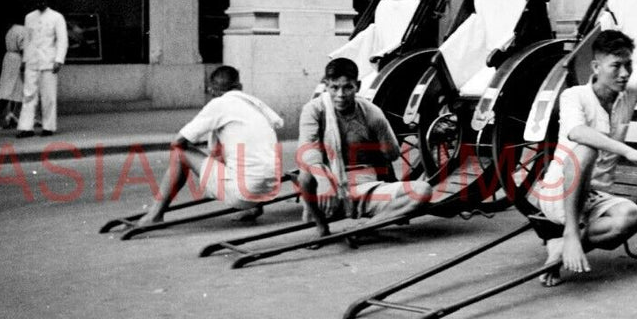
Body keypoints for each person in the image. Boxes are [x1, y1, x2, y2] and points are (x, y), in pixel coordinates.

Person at [536, 29, 637, 287]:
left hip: (595, 196)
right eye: (616, 66)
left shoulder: (630, 91)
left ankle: (561, 245)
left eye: (628, 65)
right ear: (596, 67)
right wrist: (627, 151)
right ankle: (569, 234)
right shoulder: (574, 95)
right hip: (561, 192)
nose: (624, 74)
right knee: (586, 146)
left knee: (631, 215)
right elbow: (577, 132)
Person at [129, 65, 285, 227]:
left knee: (180, 153)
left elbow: (178, 141)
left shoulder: (219, 104)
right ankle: (254, 208)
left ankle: (155, 214)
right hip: (271, 188)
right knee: (244, 149)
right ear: (239, 87)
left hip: (244, 192)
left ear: (211, 91)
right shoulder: (255, 103)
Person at [294, 57, 433, 237]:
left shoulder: (371, 112)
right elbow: (307, 151)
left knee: (422, 190)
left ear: (357, 86)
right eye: (334, 87)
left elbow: (392, 154)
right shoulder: (314, 110)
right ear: (326, 86)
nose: (341, 94)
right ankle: (322, 228)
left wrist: (378, 136)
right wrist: (323, 181)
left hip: (365, 188)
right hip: (329, 189)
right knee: (305, 174)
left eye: (348, 87)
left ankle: (362, 229)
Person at [17, 0, 69, 137]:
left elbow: (62, 40)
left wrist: (59, 60)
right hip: (32, 61)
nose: (39, 2)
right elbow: (27, 40)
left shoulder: (57, 17)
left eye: (42, 0)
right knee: (28, 94)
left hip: (49, 61)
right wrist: (24, 60)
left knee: (48, 96)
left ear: (47, 1)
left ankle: (48, 126)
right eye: (36, 0)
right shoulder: (29, 17)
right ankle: (26, 127)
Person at [0, 16, 27, 130]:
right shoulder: (22, 30)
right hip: (17, 59)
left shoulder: (11, 30)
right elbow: (23, 47)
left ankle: (12, 115)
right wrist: (25, 62)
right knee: (16, 88)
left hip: (8, 58)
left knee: (9, 88)